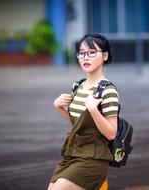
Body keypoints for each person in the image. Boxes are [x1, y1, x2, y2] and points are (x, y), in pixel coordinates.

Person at [47, 33, 119, 190]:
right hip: (73, 152)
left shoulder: (107, 90)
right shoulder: (77, 86)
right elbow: (78, 124)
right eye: (81, 53)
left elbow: (112, 133)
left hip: (94, 158)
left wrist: (94, 109)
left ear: (105, 56)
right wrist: (60, 108)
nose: (85, 57)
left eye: (92, 52)